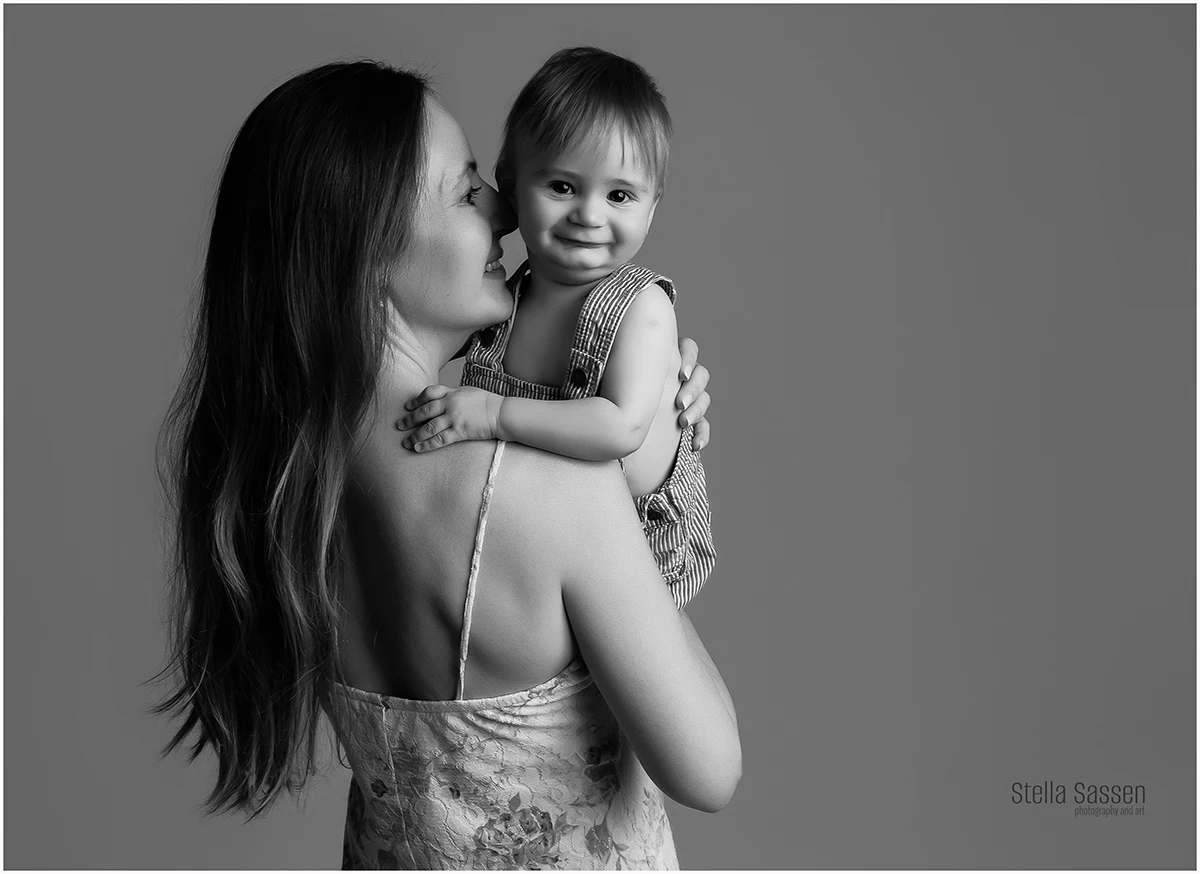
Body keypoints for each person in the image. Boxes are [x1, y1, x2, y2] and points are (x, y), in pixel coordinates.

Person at [155, 60, 740, 870]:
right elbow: (708, 768)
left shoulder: (284, 491)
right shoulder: (555, 489)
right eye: (467, 192)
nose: (503, 208)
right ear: (368, 252)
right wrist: (652, 484)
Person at [397, 47, 714, 608]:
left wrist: (491, 414)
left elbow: (619, 428)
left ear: (652, 208)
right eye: (563, 187)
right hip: (537, 545)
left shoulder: (641, 307)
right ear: (512, 185)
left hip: (639, 549)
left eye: (619, 196)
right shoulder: (506, 298)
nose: (589, 216)